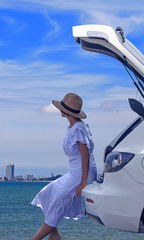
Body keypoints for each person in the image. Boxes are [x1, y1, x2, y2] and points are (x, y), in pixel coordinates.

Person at [31, 93, 97, 240]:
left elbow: (85, 156)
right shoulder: (73, 127)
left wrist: (83, 183)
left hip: (81, 173)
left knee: (58, 203)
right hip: (76, 171)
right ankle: (54, 234)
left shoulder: (78, 129)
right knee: (47, 193)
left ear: (66, 112)